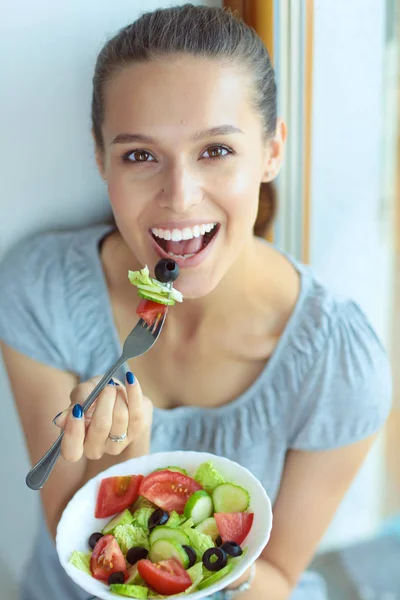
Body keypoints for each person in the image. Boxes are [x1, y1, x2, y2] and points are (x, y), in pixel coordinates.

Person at [0, 4, 392, 600]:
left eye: (215, 150)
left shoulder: (342, 366)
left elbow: (279, 575)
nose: (179, 197)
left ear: (271, 151)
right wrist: (120, 464)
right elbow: (74, 544)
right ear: (101, 159)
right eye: (139, 155)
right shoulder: (38, 291)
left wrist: (202, 562)